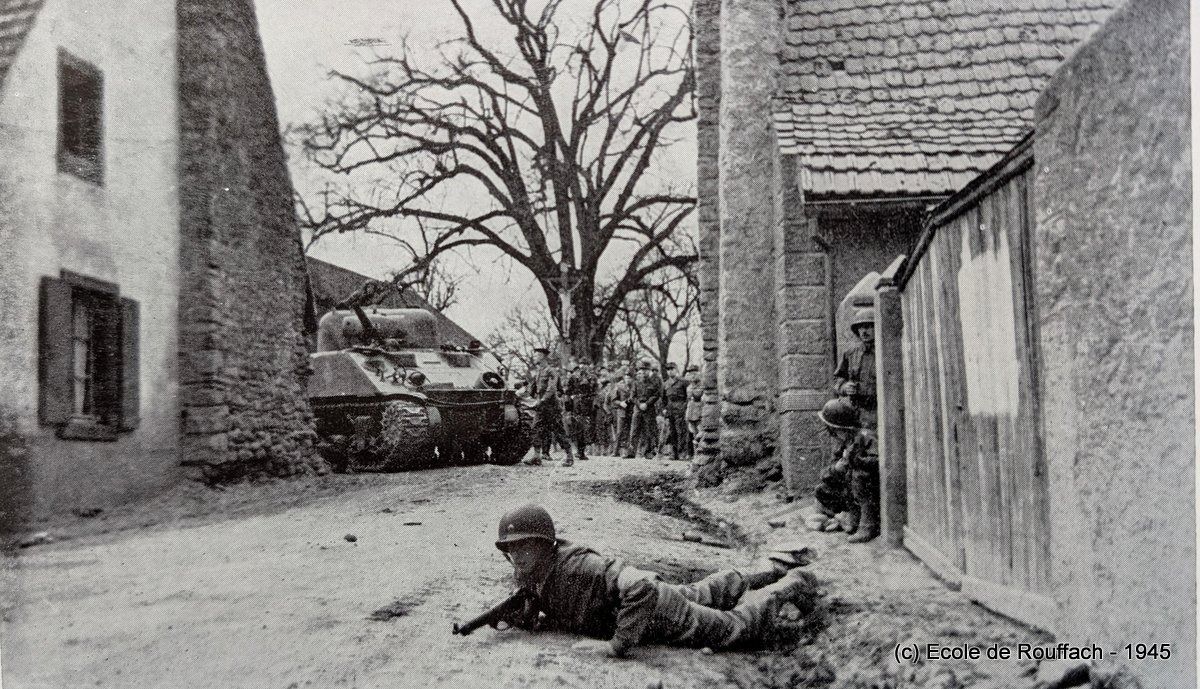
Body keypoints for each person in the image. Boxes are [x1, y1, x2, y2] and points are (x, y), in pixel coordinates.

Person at [490, 504, 818, 656]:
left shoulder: (580, 567)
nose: (517, 555)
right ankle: (774, 566)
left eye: (525, 547)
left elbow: (641, 588)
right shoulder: (533, 571)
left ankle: (792, 584)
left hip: (654, 608)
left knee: (731, 628)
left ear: (544, 545)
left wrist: (617, 646)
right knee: (702, 592)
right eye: (511, 549)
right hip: (649, 600)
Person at [811, 398, 880, 543]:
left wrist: (857, 461)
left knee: (859, 476)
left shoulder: (866, 437)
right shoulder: (843, 443)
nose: (834, 434)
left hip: (870, 490)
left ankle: (868, 525)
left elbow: (878, 461)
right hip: (851, 491)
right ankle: (850, 518)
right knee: (822, 489)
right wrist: (836, 468)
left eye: (835, 430)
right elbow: (825, 474)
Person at [527, 347, 573, 466]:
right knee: (535, 429)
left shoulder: (551, 371)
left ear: (542, 356)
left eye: (537, 355)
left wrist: (542, 400)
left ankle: (569, 456)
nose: (535, 357)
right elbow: (533, 389)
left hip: (552, 407)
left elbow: (552, 388)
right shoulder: (539, 372)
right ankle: (537, 456)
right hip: (541, 407)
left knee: (558, 431)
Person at [834, 307, 877, 428]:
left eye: (868, 326)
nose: (864, 331)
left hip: (878, 410)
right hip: (856, 411)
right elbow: (838, 379)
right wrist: (844, 387)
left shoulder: (885, 353)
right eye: (860, 327)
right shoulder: (850, 353)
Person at [561, 359, 597, 464]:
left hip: (587, 405)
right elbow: (567, 392)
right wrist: (570, 402)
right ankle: (579, 451)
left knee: (585, 428)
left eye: (586, 364)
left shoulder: (591, 377)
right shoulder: (573, 378)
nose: (583, 367)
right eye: (582, 365)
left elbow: (594, 391)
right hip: (576, 406)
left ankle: (581, 452)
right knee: (577, 429)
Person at [625, 360, 662, 459]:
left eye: (645, 370)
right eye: (641, 370)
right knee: (634, 430)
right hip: (637, 409)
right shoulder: (636, 383)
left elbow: (656, 395)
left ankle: (648, 452)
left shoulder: (654, 382)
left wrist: (647, 403)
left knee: (649, 430)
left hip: (649, 409)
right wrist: (639, 404)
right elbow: (632, 397)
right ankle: (631, 452)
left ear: (649, 371)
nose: (643, 372)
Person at [661, 362, 690, 461]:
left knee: (681, 431)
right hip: (670, 410)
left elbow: (688, 396)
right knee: (672, 432)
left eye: (672, 369)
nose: (670, 371)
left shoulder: (683, 382)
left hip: (680, 409)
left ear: (676, 370)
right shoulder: (665, 384)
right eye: (668, 370)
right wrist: (664, 409)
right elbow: (663, 399)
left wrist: (685, 407)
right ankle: (673, 453)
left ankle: (682, 453)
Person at [684, 365, 702, 459]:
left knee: (700, 432)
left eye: (693, 372)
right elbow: (688, 399)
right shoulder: (689, 386)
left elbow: (698, 396)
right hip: (691, 410)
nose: (692, 375)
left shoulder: (702, 385)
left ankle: (700, 453)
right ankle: (695, 455)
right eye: (690, 372)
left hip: (699, 410)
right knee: (693, 433)